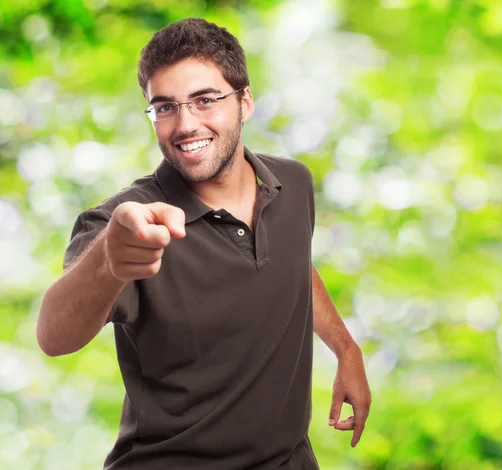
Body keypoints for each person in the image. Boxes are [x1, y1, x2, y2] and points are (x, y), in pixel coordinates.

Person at [36, 17, 371, 469]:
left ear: (245, 101)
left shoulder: (292, 184)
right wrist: (109, 262)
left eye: (205, 100)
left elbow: (292, 267)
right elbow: (54, 337)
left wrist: (346, 350)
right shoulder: (126, 226)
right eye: (165, 107)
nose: (185, 124)